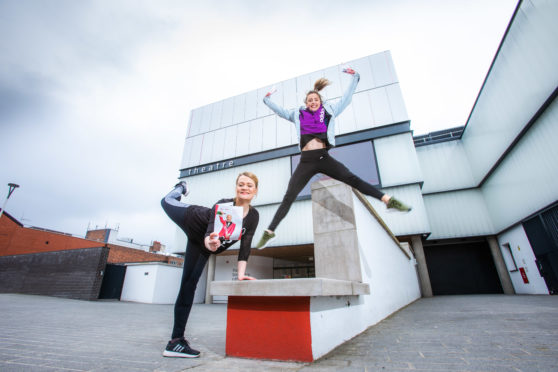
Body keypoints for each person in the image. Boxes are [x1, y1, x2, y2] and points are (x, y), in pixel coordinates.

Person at [256, 68, 411, 249]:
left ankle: (387, 200)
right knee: (289, 196)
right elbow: (279, 110)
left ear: (320, 101)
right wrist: (267, 99)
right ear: (305, 103)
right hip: (306, 161)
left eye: (316, 99)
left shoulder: (330, 111)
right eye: (309, 100)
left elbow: (347, 98)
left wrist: (355, 77)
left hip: (323, 157)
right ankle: (269, 232)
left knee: (352, 178)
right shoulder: (297, 114)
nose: (313, 102)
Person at [160, 172, 259, 358]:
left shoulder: (253, 216)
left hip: (202, 246)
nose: (244, 188)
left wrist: (240, 274)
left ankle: (175, 342)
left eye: (249, 185)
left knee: (188, 286)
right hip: (193, 219)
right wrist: (210, 242)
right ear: (236, 187)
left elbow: (246, 246)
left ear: (255, 191)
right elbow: (210, 231)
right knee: (166, 201)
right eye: (241, 184)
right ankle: (180, 187)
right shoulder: (223, 204)